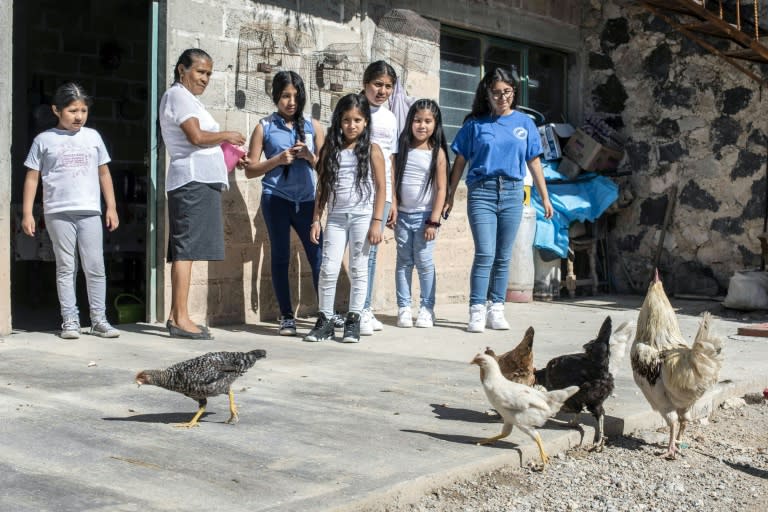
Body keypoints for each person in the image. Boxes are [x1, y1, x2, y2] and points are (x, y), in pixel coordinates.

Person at [443, 68, 554, 333]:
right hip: (482, 191)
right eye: (496, 92)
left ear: (513, 93)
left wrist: (545, 197)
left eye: (507, 92)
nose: (502, 97)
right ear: (487, 94)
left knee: (504, 256)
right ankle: (477, 310)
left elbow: (534, 162)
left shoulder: (525, 123)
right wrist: (449, 195)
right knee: (485, 253)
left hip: (514, 192)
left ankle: (497, 309)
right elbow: (460, 162)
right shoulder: (474, 124)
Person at [159, 48, 247, 340]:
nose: (204, 78)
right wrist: (227, 135)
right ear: (182, 70)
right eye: (199, 72)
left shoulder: (189, 100)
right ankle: (181, 319)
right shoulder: (178, 96)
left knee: (190, 250)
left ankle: (177, 315)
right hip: (191, 181)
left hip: (199, 181)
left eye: (208, 73)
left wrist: (229, 152)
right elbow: (195, 138)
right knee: (186, 251)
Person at [21, 82, 120, 339]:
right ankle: (70, 321)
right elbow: (32, 177)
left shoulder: (93, 137)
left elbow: (104, 173)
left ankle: (99, 320)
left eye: (83, 111)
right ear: (56, 110)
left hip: (89, 211)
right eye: (72, 111)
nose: (79, 117)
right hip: (57, 212)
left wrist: (111, 206)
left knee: (95, 265)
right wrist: (28, 212)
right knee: (66, 266)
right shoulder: (44, 140)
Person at [244, 71, 325, 336]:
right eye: (285, 96)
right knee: (280, 256)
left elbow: (326, 168)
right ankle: (287, 316)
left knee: (318, 257)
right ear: (276, 97)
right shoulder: (263, 126)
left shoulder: (313, 126)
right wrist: (277, 160)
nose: (291, 101)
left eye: (295, 96)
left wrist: (309, 155)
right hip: (276, 199)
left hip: (308, 200)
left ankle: (326, 314)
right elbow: (251, 169)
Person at [303, 94, 386, 343]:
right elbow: (323, 186)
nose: (352, 125)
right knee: (328, 269)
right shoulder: (330, 148)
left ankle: (353, 319)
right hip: (336, 217)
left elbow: (382, 187)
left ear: (365, 122)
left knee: (359, 269)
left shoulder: (373, 150)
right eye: (347, 120)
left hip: (362, 217)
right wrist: (316, 219)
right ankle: (326, 319)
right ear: (339, 121)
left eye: (358, 120)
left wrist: (376, 222)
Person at [393, 99, 448, 329]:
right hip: (403, 217)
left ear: (436, 124)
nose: (422, 125)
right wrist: (393, 207)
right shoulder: (402, 148)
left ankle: (427, 308)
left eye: (427, 121)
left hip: (425, 217)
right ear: (410, 121)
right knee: (404, 263)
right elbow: (393, 179)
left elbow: (442, 188)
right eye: (417, 120)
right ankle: (404, 307)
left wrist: (433, 221)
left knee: (424, 263)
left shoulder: (438, 153)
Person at [359, 60, 399, 336]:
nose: (382, 91)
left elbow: (391, 158)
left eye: (388, 86)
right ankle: (356, 308)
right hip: (359, 189)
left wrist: (393, 197)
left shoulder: (390, 117)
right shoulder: (355, 109)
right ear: (365, 84)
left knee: (372, 252)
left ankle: (365, 307)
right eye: (378, 84)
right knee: (359, 252)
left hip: (382, 192)